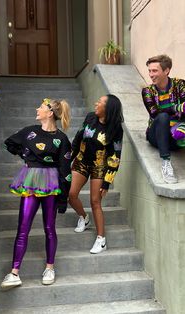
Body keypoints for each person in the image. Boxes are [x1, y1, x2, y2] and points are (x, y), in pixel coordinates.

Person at [1, 98, 71, 289]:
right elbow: (10, 143)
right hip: (30, 180)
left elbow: (66, 170)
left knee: (49, 227)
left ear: (50, 113)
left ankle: (50, 267)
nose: (37, 109)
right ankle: (14, 272)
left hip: (51, 182)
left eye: (40, 107)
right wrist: (25, 155)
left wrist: (63, 198)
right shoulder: (29, 131)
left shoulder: (62, 139)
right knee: (23, 227)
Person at [69, 94, 123, 254]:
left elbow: (115, 157)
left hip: (99, 166)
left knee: (95, 201)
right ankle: (84, 218)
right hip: (81, 161)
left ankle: (101, 239)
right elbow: (78, 139)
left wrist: (107, 182)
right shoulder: (90, 117)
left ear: (108, 108)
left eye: (100, 102)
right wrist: (68, 160)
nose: (96, 103)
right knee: (71, 194)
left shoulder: (116, 128)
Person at [142, 54, 185, 184]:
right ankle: (166, 162)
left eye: (154, 71)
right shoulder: (147, 91)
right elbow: (154, 113)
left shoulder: (181, 85)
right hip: (156, 135)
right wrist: (176, 108)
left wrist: (183, 124)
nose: (151, 74)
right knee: (162, 117)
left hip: (177, 135)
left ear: (166, 70)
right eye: (149, 71)